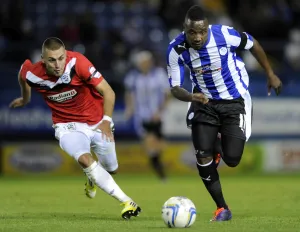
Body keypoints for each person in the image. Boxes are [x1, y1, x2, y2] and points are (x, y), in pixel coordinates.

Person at [166, 5, 282, 222]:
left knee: (233, 159)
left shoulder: (225, 34)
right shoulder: (176, 49)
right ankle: (222, 208)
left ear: (208, 28)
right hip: (204, 102)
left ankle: (217, 147)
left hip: (234, 101)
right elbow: (174, 87)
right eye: (192, 32)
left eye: (202, 31)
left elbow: (253, 44)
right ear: (185, 29)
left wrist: (270, 73)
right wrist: (192, 98)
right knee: (202, 155)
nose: (198, 37)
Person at [9, 37, 141, 220]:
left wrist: (106, 120)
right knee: (84, 159)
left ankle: (91, 177)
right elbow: (23, 76)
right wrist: (25, 98)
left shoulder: (78, 62)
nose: (58, 64)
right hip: (67, 125)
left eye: (61, 58)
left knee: (111, 168)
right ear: (42, 59)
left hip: (97, 123)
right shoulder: (32, 72)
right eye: (52, 60)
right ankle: (127, 201)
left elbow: (108, 91)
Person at [124, 50, 169, 182]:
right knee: (150, 143)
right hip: (141, 116)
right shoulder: (133, 77)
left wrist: (160, 111)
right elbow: (129, 94)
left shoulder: (159, 75)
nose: (144, 64)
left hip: (157, 115)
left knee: (158, 146)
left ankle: (158, 166)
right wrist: (130, 108)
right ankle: (161, 173)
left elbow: (167, 94)